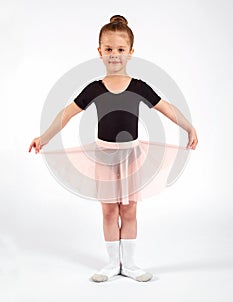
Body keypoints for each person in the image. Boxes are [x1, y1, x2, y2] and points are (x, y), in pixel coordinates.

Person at [29, 15, 198, 283]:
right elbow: (66, 114)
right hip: (104, 156)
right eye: (108, 49)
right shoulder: (94, 89)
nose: (114, 55)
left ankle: (129, 264)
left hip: (131, 155)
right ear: (99, 52)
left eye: (120, 50)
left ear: (130, 52)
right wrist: (45, 137)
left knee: (129, 209)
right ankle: (111, 264)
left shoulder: (139, 87)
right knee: (109, 209)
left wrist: (189, 127)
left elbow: (167, 108)